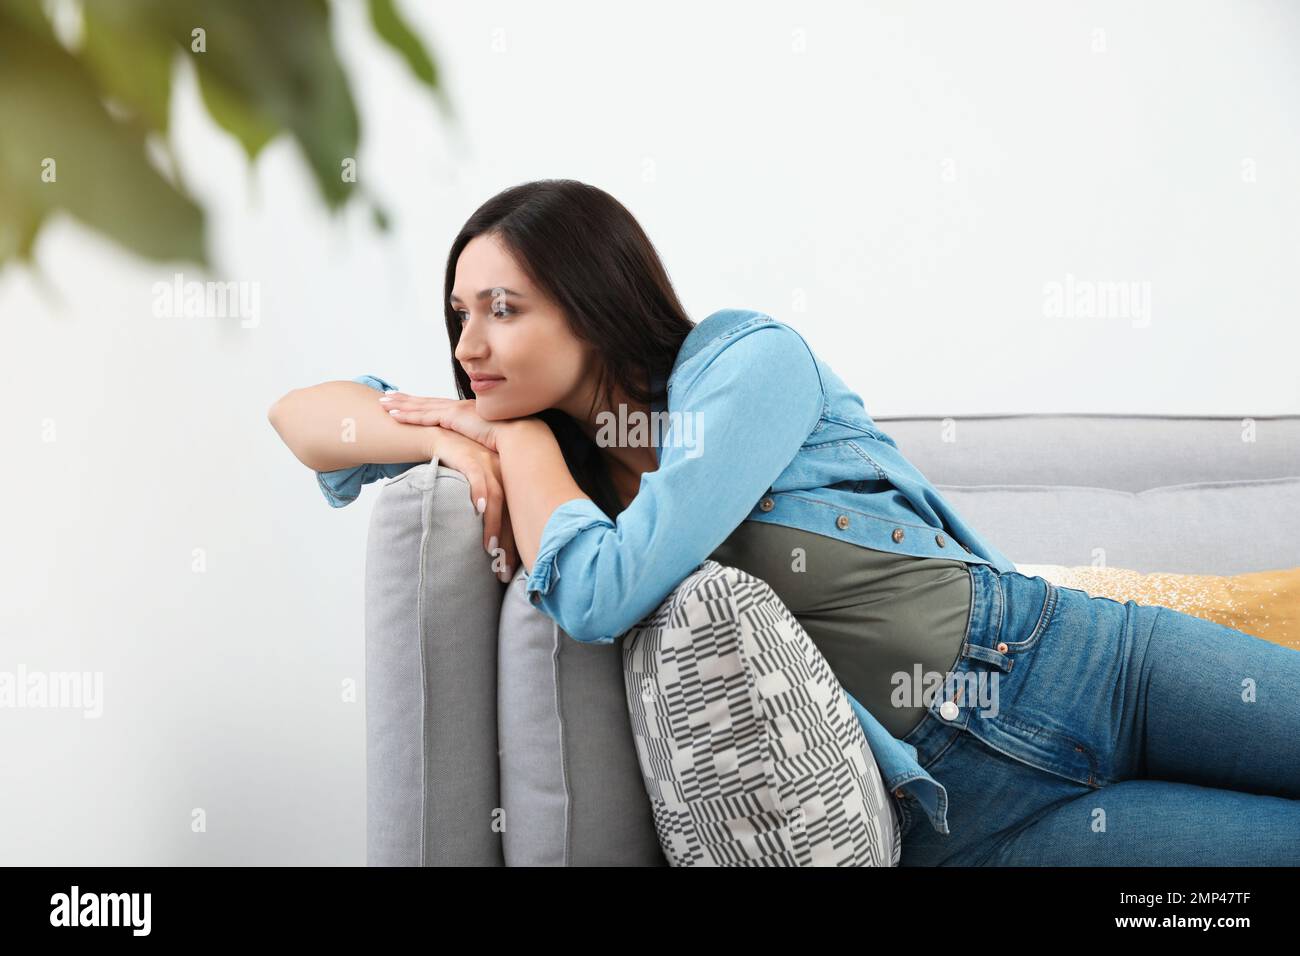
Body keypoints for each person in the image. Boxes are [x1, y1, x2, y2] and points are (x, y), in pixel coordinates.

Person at [268, 178, 1300, 865]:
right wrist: (462, 441)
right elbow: (304, 417)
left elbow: (608, 582)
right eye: (457, 314)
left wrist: (511, 444)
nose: (470, 343)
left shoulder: (747, 360)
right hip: (970, 817)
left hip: (1081, 661)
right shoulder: (549, 468)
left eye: (503, 306)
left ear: (589, 297)